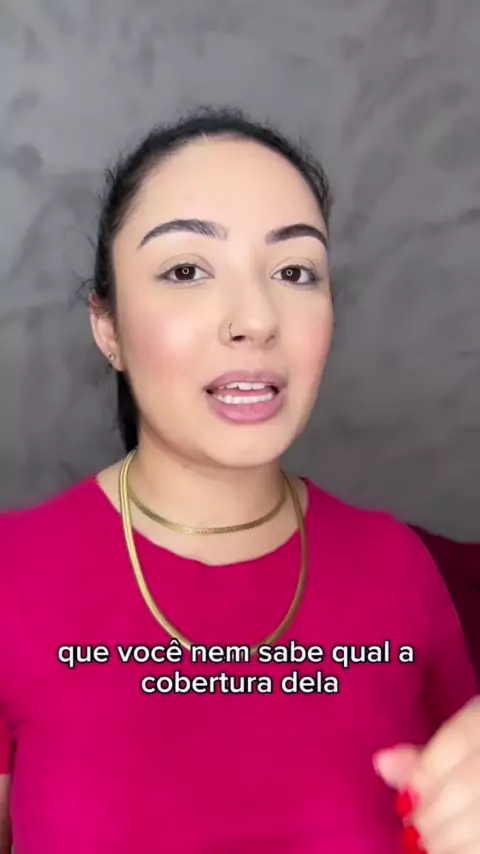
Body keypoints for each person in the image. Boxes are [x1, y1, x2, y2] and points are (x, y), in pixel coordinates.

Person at [0, 107, 478, 854]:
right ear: (108, 327)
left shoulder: (398, 567)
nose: (255, 319)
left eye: (294, 272)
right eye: (186, 271)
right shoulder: (13, 573)